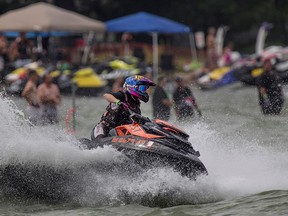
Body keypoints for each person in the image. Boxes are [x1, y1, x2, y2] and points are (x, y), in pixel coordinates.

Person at [91, 75, 155, 139]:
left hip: (118, 133)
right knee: (101, 141)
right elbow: (106, 95)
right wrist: (118, 102)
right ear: (133, 86)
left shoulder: (136, 105)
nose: (145, 92)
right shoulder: (123, 96)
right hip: (104, 129)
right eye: (143, 88)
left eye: (146, 89)